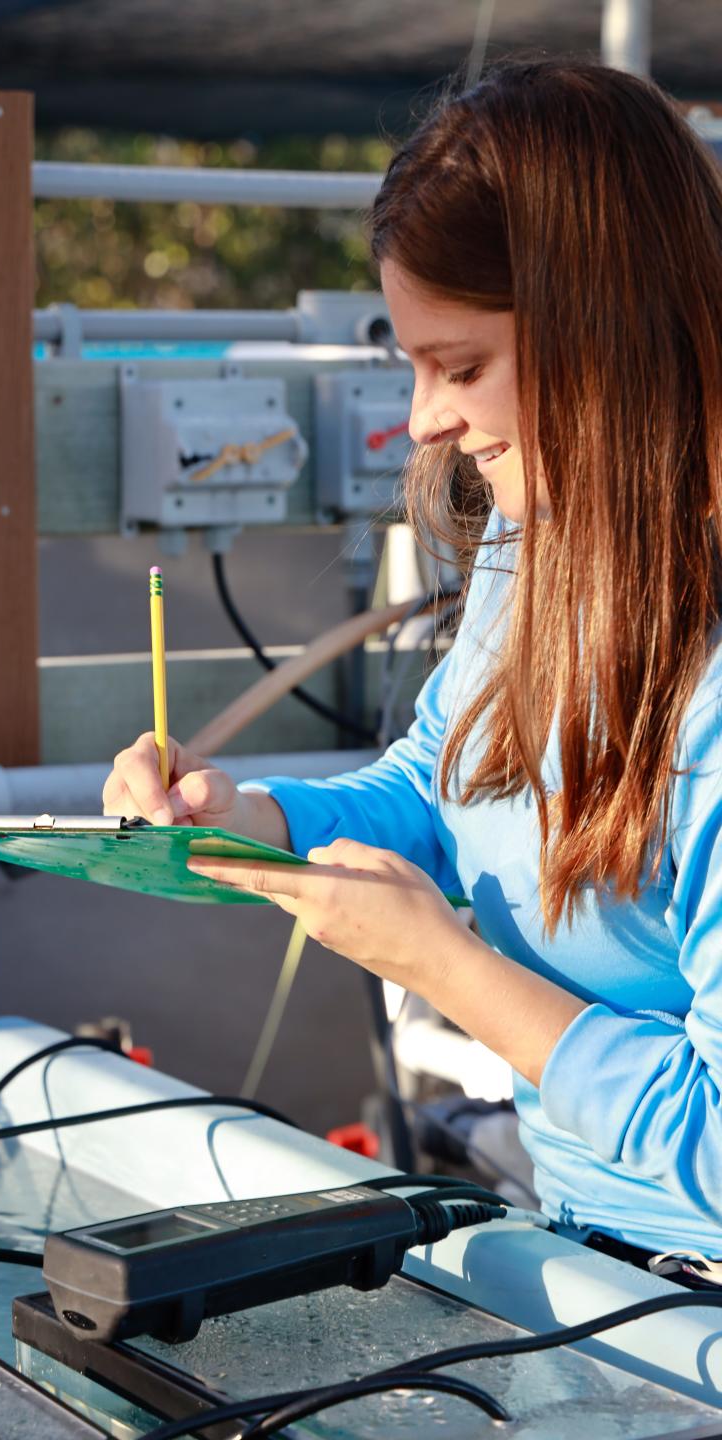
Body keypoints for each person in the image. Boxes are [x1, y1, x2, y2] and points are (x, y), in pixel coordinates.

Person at [103, 60, 722, 1266]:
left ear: (611, 337)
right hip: (585, 1250)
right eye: (413, 363)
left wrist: (447, 964)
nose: (427, 416)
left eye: (465, 366)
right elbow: (449, 778)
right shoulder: (533, 543)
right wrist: (254, 819)